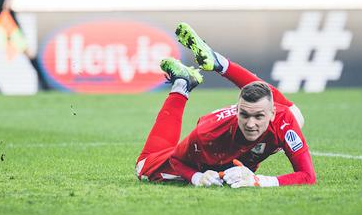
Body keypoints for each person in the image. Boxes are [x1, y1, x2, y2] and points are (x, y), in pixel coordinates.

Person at [135, 22, 316, 188]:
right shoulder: (207, 133)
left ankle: (219, 63)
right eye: (245, 115)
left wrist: (258, 181)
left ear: (273, 113)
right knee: (143, 169)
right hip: (207, 153)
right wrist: (197, 177)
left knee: (296, 114)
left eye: (259, 116)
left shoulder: (284, 120)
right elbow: (177, 160)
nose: (251, 124)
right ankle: (182, 85)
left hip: (239, 154)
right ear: (237, 112)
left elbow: (308, 176)